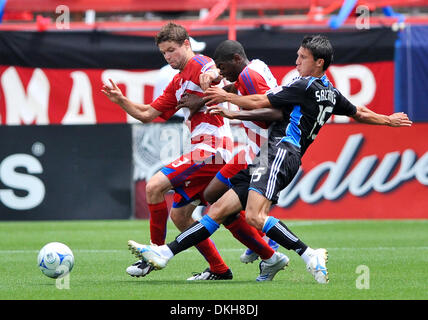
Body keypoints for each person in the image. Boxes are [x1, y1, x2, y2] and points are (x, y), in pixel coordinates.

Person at [127, 34, 412, 284]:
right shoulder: (330, 91)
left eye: (303, 57)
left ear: (320, 63)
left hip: (279, 151)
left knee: (254, 215)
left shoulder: (303, 86)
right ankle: (164, 253)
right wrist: (387, 119)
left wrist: (229, 107)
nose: (296, 61)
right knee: (216, 208)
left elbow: (263, 102)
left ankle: (307, 253)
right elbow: (358, 112)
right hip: (266, 154)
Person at [103, 22, 285, 281]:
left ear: (186, 45)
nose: (168, 57)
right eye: (163, 53)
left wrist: (211, 80)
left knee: (155, 186)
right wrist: (121, 100)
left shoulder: (200, 64)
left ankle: (153, 255)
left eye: (172, 50)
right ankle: (252, 260)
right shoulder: (177, 83)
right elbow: (146, 114)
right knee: (187, 215)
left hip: (213, 150)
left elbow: (213, 73)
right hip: (203, 151)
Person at [178, 39, 281, 265]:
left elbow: (275, 112)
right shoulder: (255, 67)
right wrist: (206, 98)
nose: (222, 74)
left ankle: (267, 242)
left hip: (264, 151)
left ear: (236, 59)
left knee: (222, 204)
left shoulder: (249, 76)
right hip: (250, 149)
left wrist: (233, 112)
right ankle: (259, 241)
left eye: (223, 68)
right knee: (212, 194)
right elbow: (236, 90)